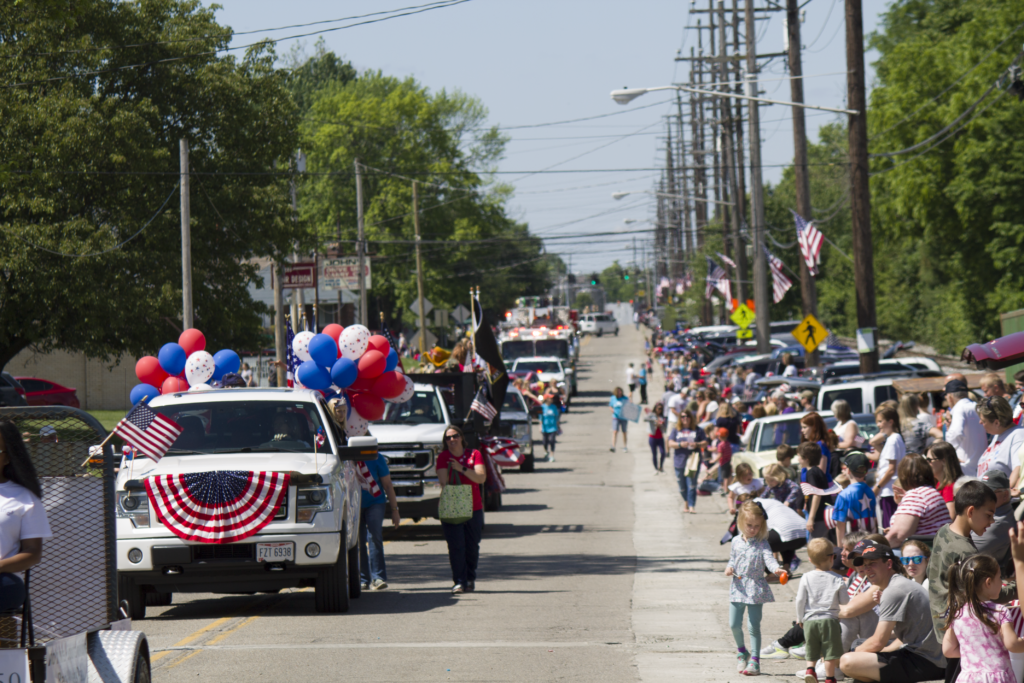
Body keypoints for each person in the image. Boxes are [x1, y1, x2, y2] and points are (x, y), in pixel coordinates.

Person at [927, 480, 1011, 678]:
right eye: (989, 515)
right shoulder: (965, 552)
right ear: (971, 511)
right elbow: (988, 592)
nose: (992, 522)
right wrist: (1019, 585)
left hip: (946, 623)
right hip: (962, 631)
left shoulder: (945, 531)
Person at [839, 540, 946, 683]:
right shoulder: (898, 584)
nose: (867, 569)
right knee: (859, 646)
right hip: (927, 657)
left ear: (889, 564)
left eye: (872, 564)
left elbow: (878, 642)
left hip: (927, 662)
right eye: (865, 565)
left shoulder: (894, 590)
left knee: (848, 661)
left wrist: (851, 656)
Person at [726, 500, 787, 676]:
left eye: (756, 526)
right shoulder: (736, 541)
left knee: (753, 626)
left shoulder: (762, 543)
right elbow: (732, 558)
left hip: (755, 587)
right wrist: (729, 567)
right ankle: (741, 652)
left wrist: (776, 568)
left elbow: (769, 558)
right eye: (749, 525)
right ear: (741, 522)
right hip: (738, 585)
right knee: (733, 624)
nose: (752, 529)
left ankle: (754, 661)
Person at [943, 554, 1024, 683]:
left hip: (967, 678)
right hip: (996, 678)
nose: (1002, 582)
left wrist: (974, 652)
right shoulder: (999, 611)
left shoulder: (957, 613)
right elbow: (1012, 644)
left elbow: (948, 650)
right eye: (999, 578)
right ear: (988, 582)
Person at [0, 421, 51, 612]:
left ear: (7, 458)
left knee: (8, 589)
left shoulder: (25, 498)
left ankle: (5, 642)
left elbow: (33, 552)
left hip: (2, 580)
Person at [436, 426, 487, 594]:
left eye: (455, 436)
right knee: (456, 546)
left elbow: (481, 478)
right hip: (453, 506)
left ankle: (470, 578)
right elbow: (444, 482)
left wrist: (462, 468)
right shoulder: (443, 457)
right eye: (448, 438)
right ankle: (459, 581)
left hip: (474, 507)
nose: (452, 440)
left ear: (461, 437)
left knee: (472, 546)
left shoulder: (474, 454)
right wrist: (452, 468)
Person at [796, 538, 848, 683]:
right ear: (832, 558)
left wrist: (800, 618)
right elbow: (845, 602)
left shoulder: (806, 577)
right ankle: (830, 677)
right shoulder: (837, 579)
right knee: (830, 652)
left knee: (811, 648)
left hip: (810, 620)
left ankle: (810, 670)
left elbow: (800, 600)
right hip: (830, 620)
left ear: (810, 559)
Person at [357, 449, 401, 591]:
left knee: (374, 537)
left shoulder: (377, 457)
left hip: (375, 503)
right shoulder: (347, 459)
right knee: (358, 541)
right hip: (354, 505)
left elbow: (387, 485)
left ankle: (378, 578)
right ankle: (363, 579)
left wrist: (395, 510)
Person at [886, 453, 950, 546]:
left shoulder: (916, 495)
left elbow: (897, 537)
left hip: (925, 552)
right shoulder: (930, 492)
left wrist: (872, 548)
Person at [930, 379, 987, 477]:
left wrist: (949, 453)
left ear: (950, 397)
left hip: (965, 468)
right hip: (981, 465)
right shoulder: (975, 406)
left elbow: (956, 433)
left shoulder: (959, 408)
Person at [972, 470, 1016, 573]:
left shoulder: (998, 524)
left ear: (1005, 495)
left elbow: (965, 551)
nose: (981, 495)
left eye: (988, 492)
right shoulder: (990, 514)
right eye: (980, 491)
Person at [976, 396, 1024, 488]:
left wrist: (1007, 493)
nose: (980, 422)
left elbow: (1019, 468)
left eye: (983, 420)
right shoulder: (998, 434)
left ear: (997, 423)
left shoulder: (1018, 435)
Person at [831, 452, 877, 549]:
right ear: (866, 472)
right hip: (871, 543)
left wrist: (840, 547)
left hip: (853, 545)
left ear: (848, 471)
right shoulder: (870, 492)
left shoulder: (843, 495)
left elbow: (840, 523)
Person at [667, 410, 707, 513]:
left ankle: (691, 506)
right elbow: (670, 443)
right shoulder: (676, 430)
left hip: (693, 460)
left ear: (691, 418)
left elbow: (705, 443)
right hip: (679, 460)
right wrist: (680, 445)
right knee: (681, 486)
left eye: (687, 416)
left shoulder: (698, 430)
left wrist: (696, 444)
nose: (685, 418)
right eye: (683, 416)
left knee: (692, 484)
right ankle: (686, 501)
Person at [873, 405, 906, 529]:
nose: (879, 425)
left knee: (889, 526)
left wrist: (878, 487)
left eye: (881, 421)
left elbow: (891, 469)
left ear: (890, 422)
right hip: (889, 490)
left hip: (888, 490)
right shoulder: (893, 439)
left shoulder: (893, 440)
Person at [799, 442, 836, 539]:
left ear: (806, 458)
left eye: (799, 456)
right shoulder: (817, 471)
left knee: (815, 548)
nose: (797, 459)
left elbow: (817, 494)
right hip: (824, 516)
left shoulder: (811, 473)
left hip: (819, 518)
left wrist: (811, 518)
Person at [801, 412, 839, 483]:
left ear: (814, 428)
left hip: (818, 490)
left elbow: (821, 472)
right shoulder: (813, 445)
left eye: (805, 427)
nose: (802, 430)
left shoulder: (820, 445)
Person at [929, 441, 964, 518]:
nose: (926, 463)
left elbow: (949, 519)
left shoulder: (949, 487)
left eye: (929, 460)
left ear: (943, 461)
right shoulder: (940, 483)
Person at [644, 403, 667, 473]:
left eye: (661, 409)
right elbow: (645, 419)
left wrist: (661, 425)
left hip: (660, 437)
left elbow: (665, 428)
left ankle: (661, 467)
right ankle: (655, 468)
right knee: (654, 453)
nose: (659, 410)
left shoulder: (663, 417)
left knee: (663, 453)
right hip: (652, 437)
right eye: (658, 408)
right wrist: (654, 420)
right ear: (655, 408)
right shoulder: (651, 414)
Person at [540, 393, 561, 462]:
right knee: (545, 442)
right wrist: (540, 427)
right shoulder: (542, 407)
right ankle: (546, 451)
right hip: (545, 427)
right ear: (546, 399)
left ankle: (552, 455)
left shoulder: (554, 407)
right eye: (550, 398)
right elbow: (540, 418)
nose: (552, 399)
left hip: (553, 427)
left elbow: (557, 417)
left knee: (552, 441)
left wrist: (558, 427)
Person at [609, 387, 629, 453]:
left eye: (620, 391)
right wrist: (612, 410)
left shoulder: (625, 398)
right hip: (616, 417)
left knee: (624, 432)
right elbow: (610, 406)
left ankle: (625, 446)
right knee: (615, 431)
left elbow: (629, 406)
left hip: (623, 417)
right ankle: (613, 446)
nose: (620, 392)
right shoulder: (613, 398)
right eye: (618, 391)